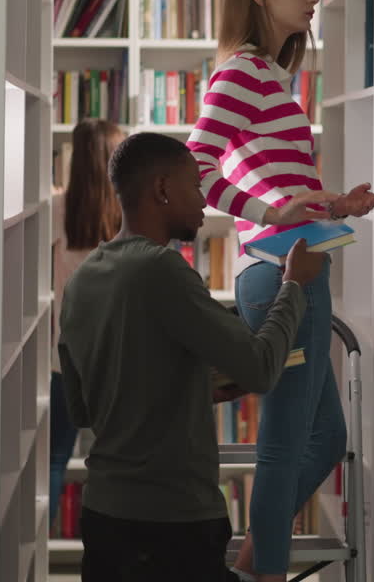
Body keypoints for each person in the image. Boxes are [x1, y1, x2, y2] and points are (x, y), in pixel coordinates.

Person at [185, 0, 374, 582]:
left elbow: (277, 186)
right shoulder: (241, 72)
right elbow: (195, 169)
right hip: (279, 276)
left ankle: (249, 566)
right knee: (284, 445)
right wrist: (272, 217)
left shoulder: (272, 77)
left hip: (299, 265)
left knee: (325, 440)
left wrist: (333, 204)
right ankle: (263, 573)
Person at [57, 132, 333, 582]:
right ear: (162, 189)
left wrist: (189, 387)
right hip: (173, 521)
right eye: (195, 185)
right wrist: (293, 285)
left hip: (104, 516)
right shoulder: (162, 270)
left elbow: (85, 407)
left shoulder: (82, 280)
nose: (205, 201)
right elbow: (261, 367)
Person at [50, 119, 125, 526]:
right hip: (119, 362)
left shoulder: (57, 208)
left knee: (53, 462)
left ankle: (33, 554)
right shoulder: (131, 213)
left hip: (66, 359)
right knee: (117, 469)